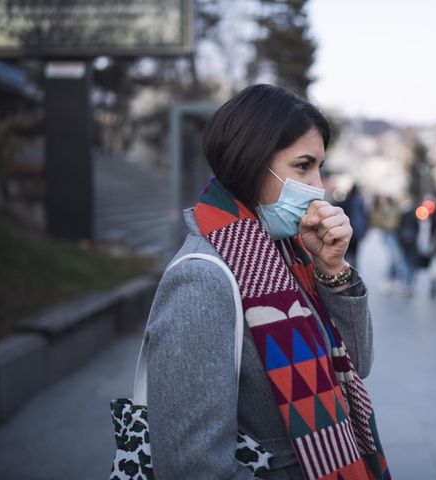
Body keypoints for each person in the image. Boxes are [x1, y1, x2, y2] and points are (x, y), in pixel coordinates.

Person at [142, 85, 390, 480]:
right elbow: (192, 466)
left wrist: (332, 268)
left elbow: (356, 364)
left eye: (320, 167)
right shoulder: (201, 278)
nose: (319, 185)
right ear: (252, 162)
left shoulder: (288, 253)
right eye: (304, 165)